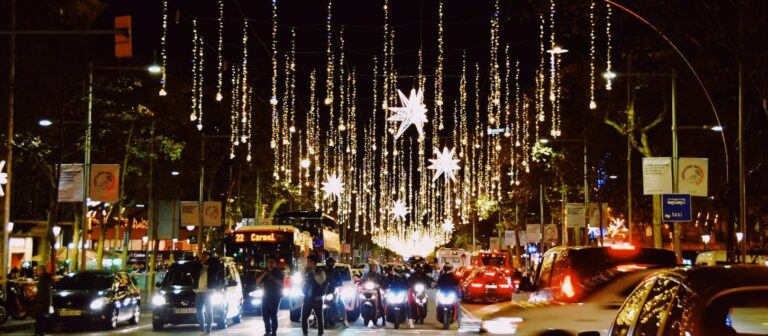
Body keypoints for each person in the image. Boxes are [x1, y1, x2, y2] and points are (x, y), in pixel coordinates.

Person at [192, 251, 224, 336]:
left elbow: (218, 266)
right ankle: (202, 329)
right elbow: (192, 271)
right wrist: (199, 262)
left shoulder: (213, 265)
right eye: (202, 256)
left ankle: (208, 331)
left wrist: (208, 260)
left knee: (209, 310)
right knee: (199, 310)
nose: (203, 257)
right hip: (199, 291)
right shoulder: (198, 265)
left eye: (205, 256)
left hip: (209, 291)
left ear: (209, 256)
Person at [256, 256, 284, 336]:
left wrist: (273, 278)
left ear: (275, 263)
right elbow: (257, 282)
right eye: (269, 262)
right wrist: (264, 275)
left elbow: (281, 283)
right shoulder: (265, 272)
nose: (270, 264)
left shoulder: (278, 272)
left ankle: (274, 332)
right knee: (265, 314)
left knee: (273, 314)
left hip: (275, 296)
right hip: (265, 296)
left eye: (272, 262)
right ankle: (267, 331)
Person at [301, 255, 326, 336]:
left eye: (308, 262)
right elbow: (301, 282)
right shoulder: (306, 271)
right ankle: (305, 332)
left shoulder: (320, 271)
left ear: (313, 263)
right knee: (304, 317)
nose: (307, 263)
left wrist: (313, 273)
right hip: (307, 298)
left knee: (319, 317)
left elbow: (321, 281)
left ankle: (320, 333)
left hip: (317, 298)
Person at [324, 257, 348, 327]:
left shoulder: (337, 272)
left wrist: (339, 287)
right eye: (328, 263)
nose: (329, 264)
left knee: (342, 303)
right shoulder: (323, 272)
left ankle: (345, 320)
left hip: (334, 291)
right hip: (324, 291)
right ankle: (314, 319)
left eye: (331, 263)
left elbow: (340, 283)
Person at [32, 265, 52, 336]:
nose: (36, 272)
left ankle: (40, 332)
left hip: (41, 301)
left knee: (39, 317)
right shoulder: (45, 278)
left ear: (41, 271)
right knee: (39, 317)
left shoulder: (43, 278)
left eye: (37, 270)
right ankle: (39, 332)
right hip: (44, 300)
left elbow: (42, 291)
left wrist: (40, 301)